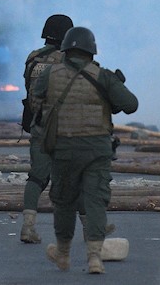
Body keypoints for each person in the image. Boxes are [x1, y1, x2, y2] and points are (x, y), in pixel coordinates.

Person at [32, 26, 138, 274]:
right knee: (95, 201)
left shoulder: (50, 73)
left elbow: (37, 101)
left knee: (64, 201)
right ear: (92, 51)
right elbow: (131, 105)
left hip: (63, 147)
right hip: (96, 148)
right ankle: (94, 258)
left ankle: (63, 254)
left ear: (67, 49)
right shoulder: (103, 76)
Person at [20, 14, 74, 243]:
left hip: (39, 123)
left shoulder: (33, 58)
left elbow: (28, 88)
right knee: (75, 178)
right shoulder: (68, 59)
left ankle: (28, 227)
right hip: (64, 126)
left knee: (37, 177)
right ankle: (92, 227)